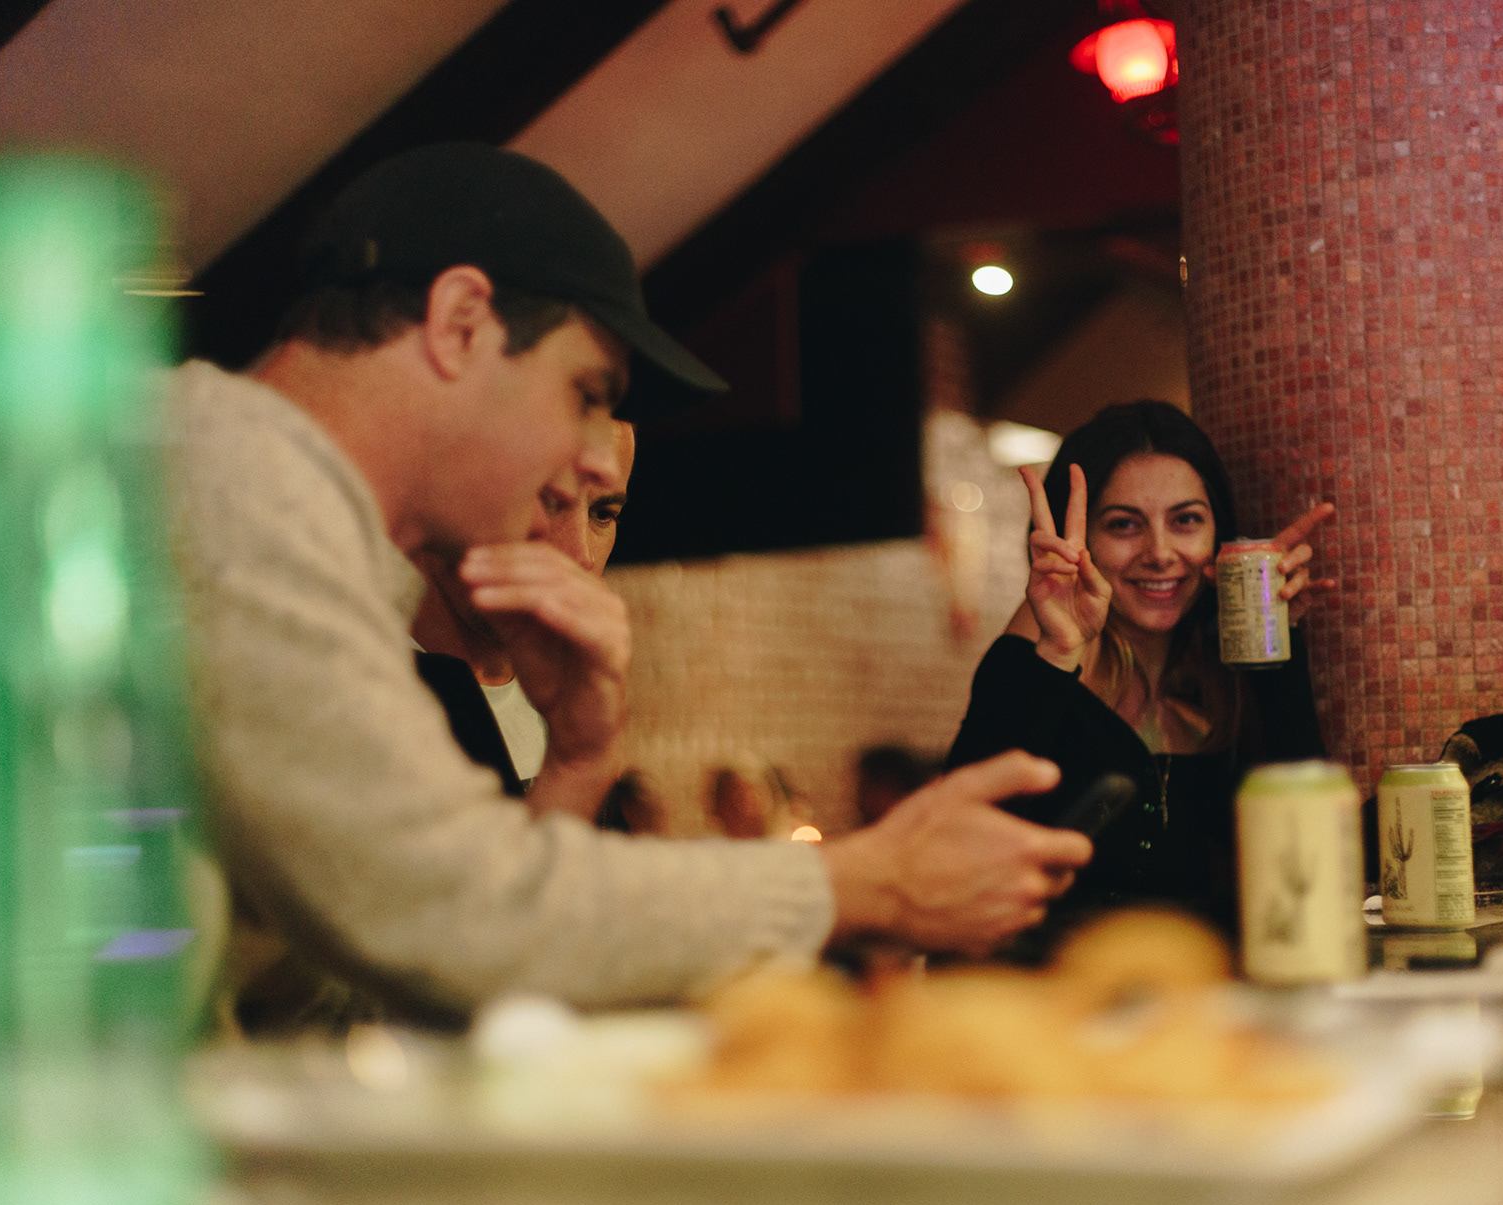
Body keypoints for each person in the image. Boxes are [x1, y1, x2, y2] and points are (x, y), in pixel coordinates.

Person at [166, 142, 1091, 1032]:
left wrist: (575, 762)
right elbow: (454, 910)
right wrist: (869, 883)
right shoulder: (239, 487)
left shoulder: (257, 494)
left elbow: (438, 949)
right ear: (459, 324)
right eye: (586, 392)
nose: (590, 459)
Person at [946, 401, 1333, 960]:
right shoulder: (1036, 649)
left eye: (1186, 521)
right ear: (1079, 539)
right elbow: (959, 840)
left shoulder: (1225, 665)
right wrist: (1056, 652)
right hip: (1053, 992)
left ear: (1218, 532)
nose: (1160, 553)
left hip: (1211, 990)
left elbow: (1308, 840)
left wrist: (1280, 643)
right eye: (1123, 525)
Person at [410, 413, 635, 802]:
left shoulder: (569, 708)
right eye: (548, 501)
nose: (580, 554)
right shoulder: (354, 694)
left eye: (602, 515)